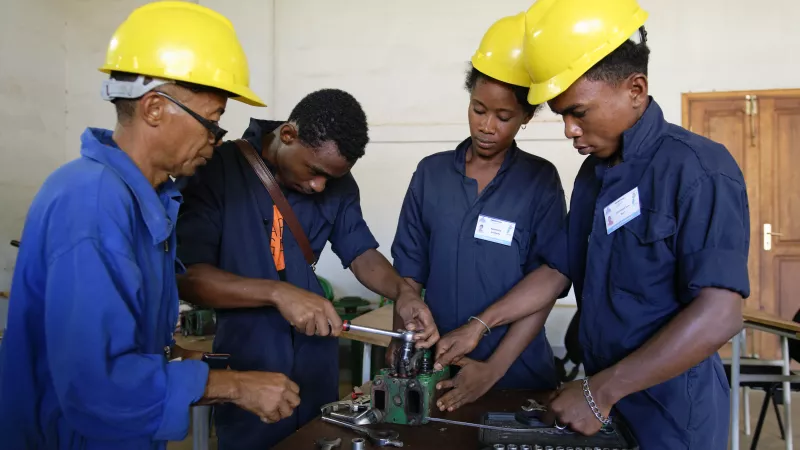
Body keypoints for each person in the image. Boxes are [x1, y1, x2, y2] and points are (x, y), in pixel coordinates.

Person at [434, 1, 748, 448]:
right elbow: (557, 269)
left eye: (578, 112)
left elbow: (720, 313)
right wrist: (480, 325)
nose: (568, 130)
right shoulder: (593, 175)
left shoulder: (699, 169)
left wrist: (601, 390)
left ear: (635, 90)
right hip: (604, 402)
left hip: (673, 413)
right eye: (562, 115)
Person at [0, 3, 303, 449]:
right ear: (155, 108)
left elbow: (133, 341)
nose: (216, 142)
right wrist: (233, 386)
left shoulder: (146, 198)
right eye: (213, 123)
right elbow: (97, 384)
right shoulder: (94, 203)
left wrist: (191, 362)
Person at [176, 88, 438, 449]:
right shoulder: (217, 171)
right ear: (288, 135)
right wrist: (276, 292)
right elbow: (188, 278)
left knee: (321, 439)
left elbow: (361, 253)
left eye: (330, 179)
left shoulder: (336, 182)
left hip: (317, 357)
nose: (320, 186)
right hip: (249, 359)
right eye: (315, 172)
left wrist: (403, 293)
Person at [391, 12, 568, 413]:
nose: (487, 126)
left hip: (516, 374)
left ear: (526, 117)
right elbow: (408, 275)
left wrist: (493, 367)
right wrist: (400, 338)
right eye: (478, 109)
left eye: (504, 117)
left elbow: (549, 282)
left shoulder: (539, 180)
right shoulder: (431, 173)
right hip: (435, 368)